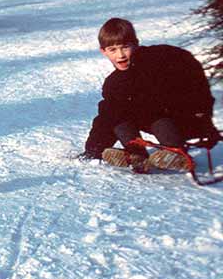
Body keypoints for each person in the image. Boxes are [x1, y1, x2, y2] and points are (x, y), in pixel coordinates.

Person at [80, 18, 218, 172]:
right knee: (113, 109)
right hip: (158, 116)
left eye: (125, 47)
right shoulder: (114, 83)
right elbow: (106, 117)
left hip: (184, 119)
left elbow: (194, 87)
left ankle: (175, 152)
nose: (120, 55)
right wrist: (93, 149)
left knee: (149, 111)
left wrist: (203, 117)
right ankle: (136, 154)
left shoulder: (156, 61)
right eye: (113, 50)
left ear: (136, 44)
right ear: (103, 51)